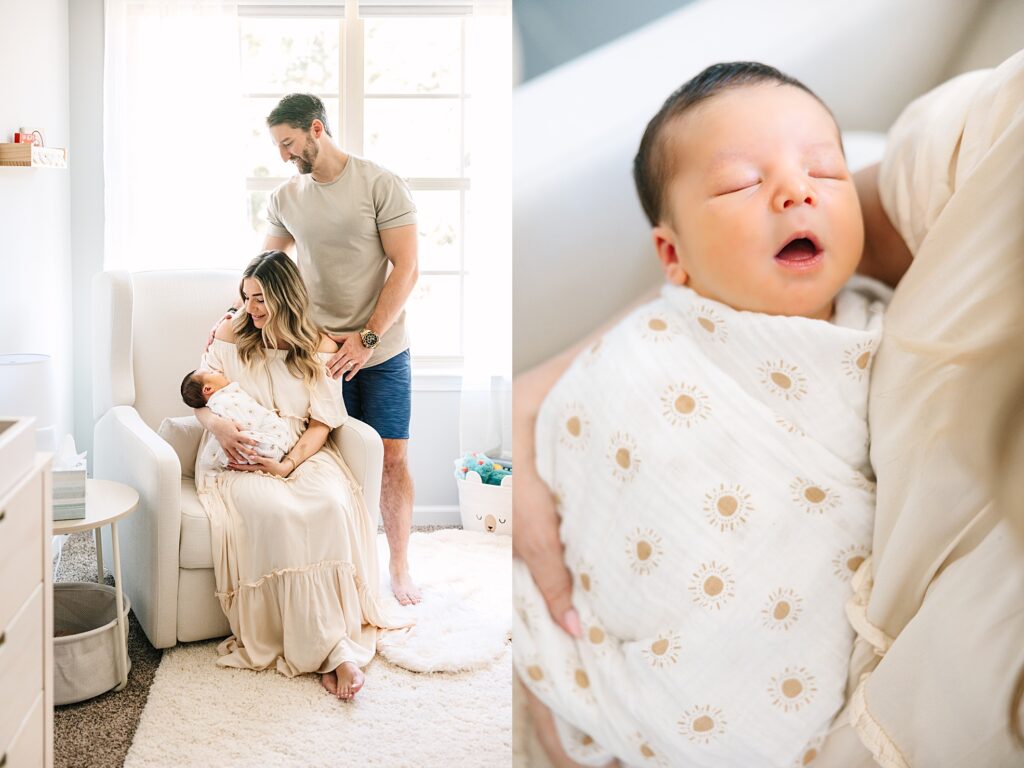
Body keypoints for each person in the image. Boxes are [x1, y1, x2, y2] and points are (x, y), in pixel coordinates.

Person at [516, 51, 1024, 766]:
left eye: (826, 172)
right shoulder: (644, 354)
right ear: (673, 254)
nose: (796, 191)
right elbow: (590, 445)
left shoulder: (875, 329)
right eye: (740, 183)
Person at [207, 92, 421, 605]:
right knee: (327, 458)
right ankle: (350, 566)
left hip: (382, 348)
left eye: (288, 143)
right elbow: (264, 265)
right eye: (278, 145)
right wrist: (232, 315)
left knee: (391, 457)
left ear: (317, 130)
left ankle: (398, 565)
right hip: (317, 354)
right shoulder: (286, 198)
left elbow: (407, 267)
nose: (283, 155)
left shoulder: (380, 184)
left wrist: (367, 337)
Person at [193, 250, 405, 701]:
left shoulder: (320, 345)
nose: (252, 308)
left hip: (302, 451)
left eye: (262, 300)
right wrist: (221, 428)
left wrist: (288, 465)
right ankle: (325, 652)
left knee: (328, 504)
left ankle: (334, 648)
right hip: (239, 444)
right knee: (273, 510)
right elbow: (199, 396)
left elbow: (322, 424)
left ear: (288, 298)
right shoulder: (231, 333)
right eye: (247, 297)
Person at [180, 368, 293, 469]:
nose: (219, 371)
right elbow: (243, 425)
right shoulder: (223, 402)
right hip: (270, 446)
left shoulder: (228, 397)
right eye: (212, 372)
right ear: (208, 389)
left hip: (276, 444)